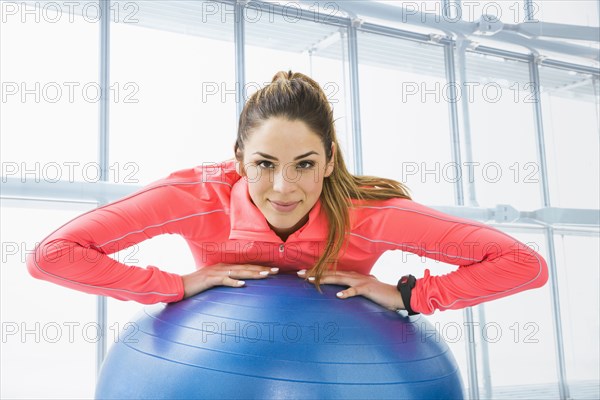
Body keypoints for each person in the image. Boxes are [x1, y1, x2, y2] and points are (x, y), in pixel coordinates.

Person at [26, 71, 548, 315]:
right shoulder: (195, 198)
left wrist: (412, 295)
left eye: (304, 164)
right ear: (237, 160)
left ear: (329, 162)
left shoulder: (369, 215)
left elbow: (523, 264)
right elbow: (52, 257)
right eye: (263, 164)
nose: (283, 187)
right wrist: (175, 286)